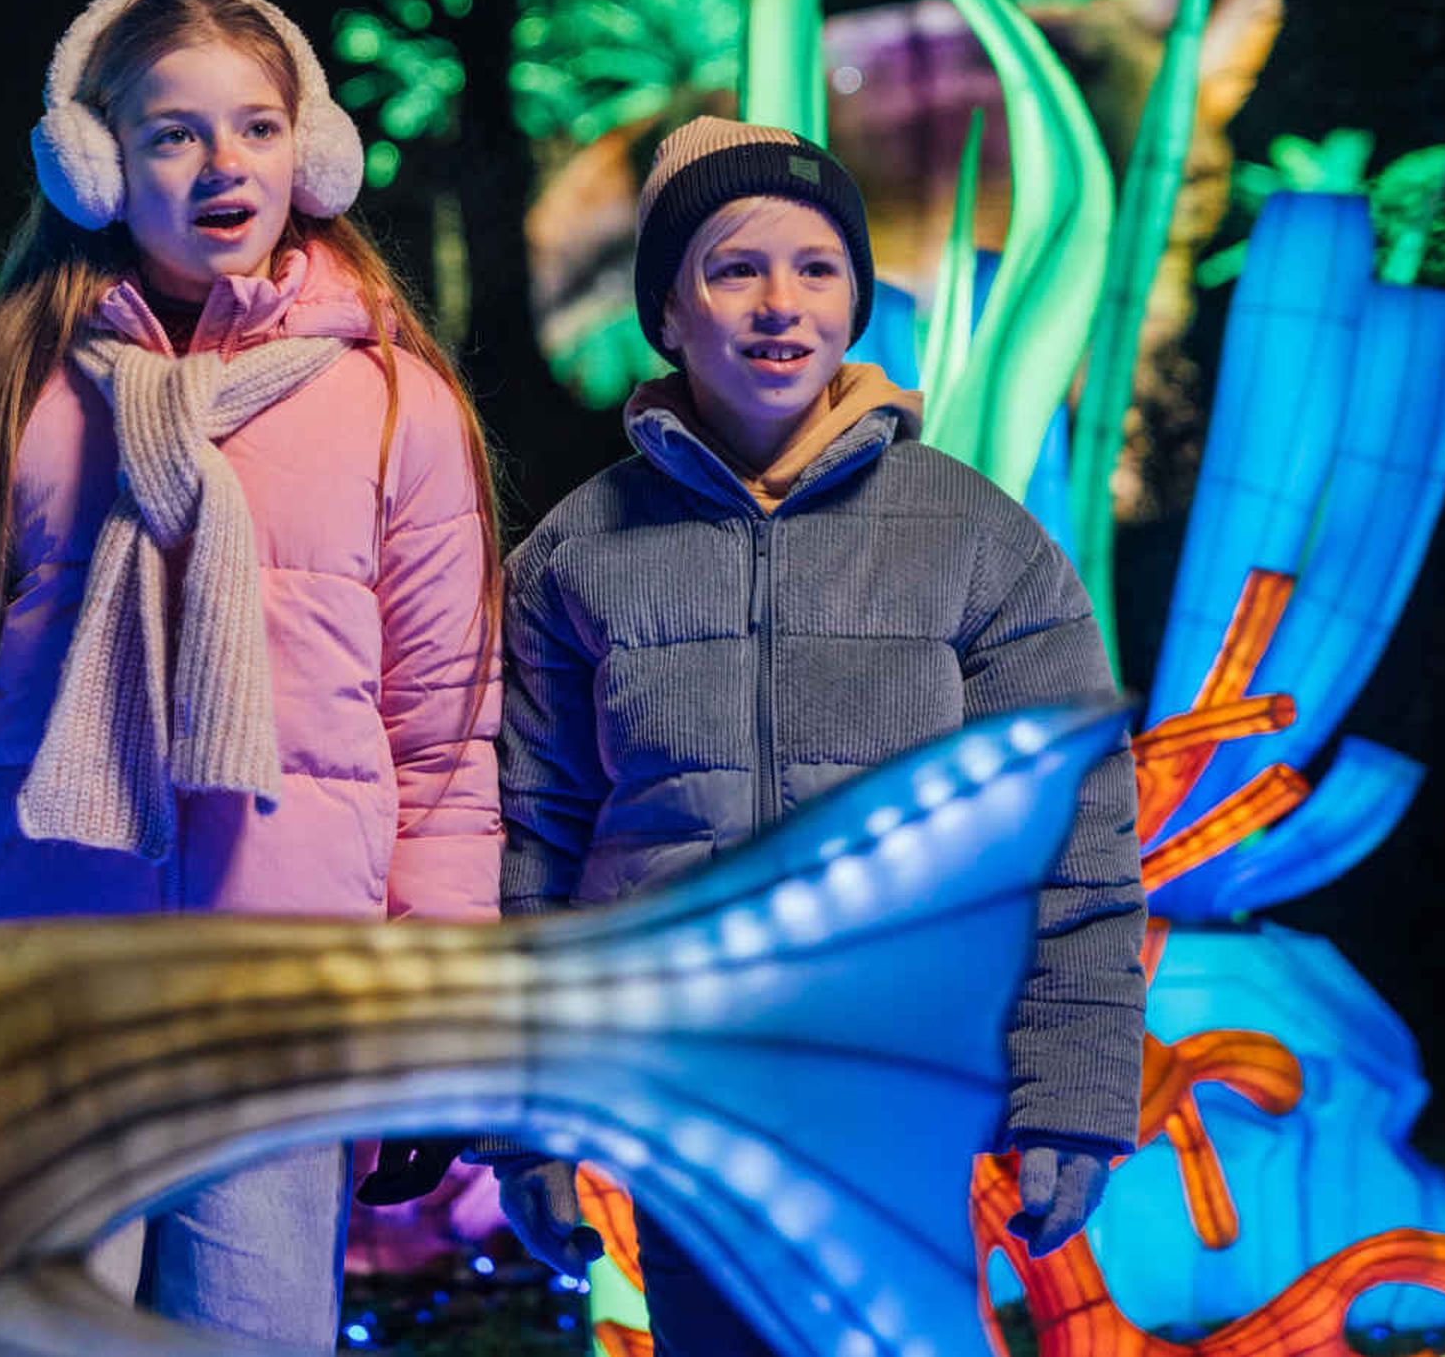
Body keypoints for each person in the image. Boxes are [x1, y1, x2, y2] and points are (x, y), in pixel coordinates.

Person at [0, 0, 502, 1347]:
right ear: (94, 162)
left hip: (281, 995)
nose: (221, 161)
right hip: (44, 1000)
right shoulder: (5, 397)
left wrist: (444, 1022)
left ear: (309, 152)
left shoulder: (392, 408)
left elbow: (440, 737)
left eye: (255, 124)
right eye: (173, 131)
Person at [488, 114, 1145, 1353]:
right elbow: (530, 847)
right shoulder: (578, 556)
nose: (778, 302)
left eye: (816, 267)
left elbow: (1078, 837)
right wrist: (528, 1119)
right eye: (733, 269)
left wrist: (1072, 1095)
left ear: (854, 301)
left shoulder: (975, 539)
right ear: (669, 315)